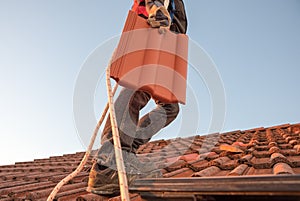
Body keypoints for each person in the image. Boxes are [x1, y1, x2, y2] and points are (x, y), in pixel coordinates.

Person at [87, 0, 187, 195]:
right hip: (155, 27)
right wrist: (155, 8)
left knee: (171, 106)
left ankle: (127, 151)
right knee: (138, 85)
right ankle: (109, 163)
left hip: (171, 40)